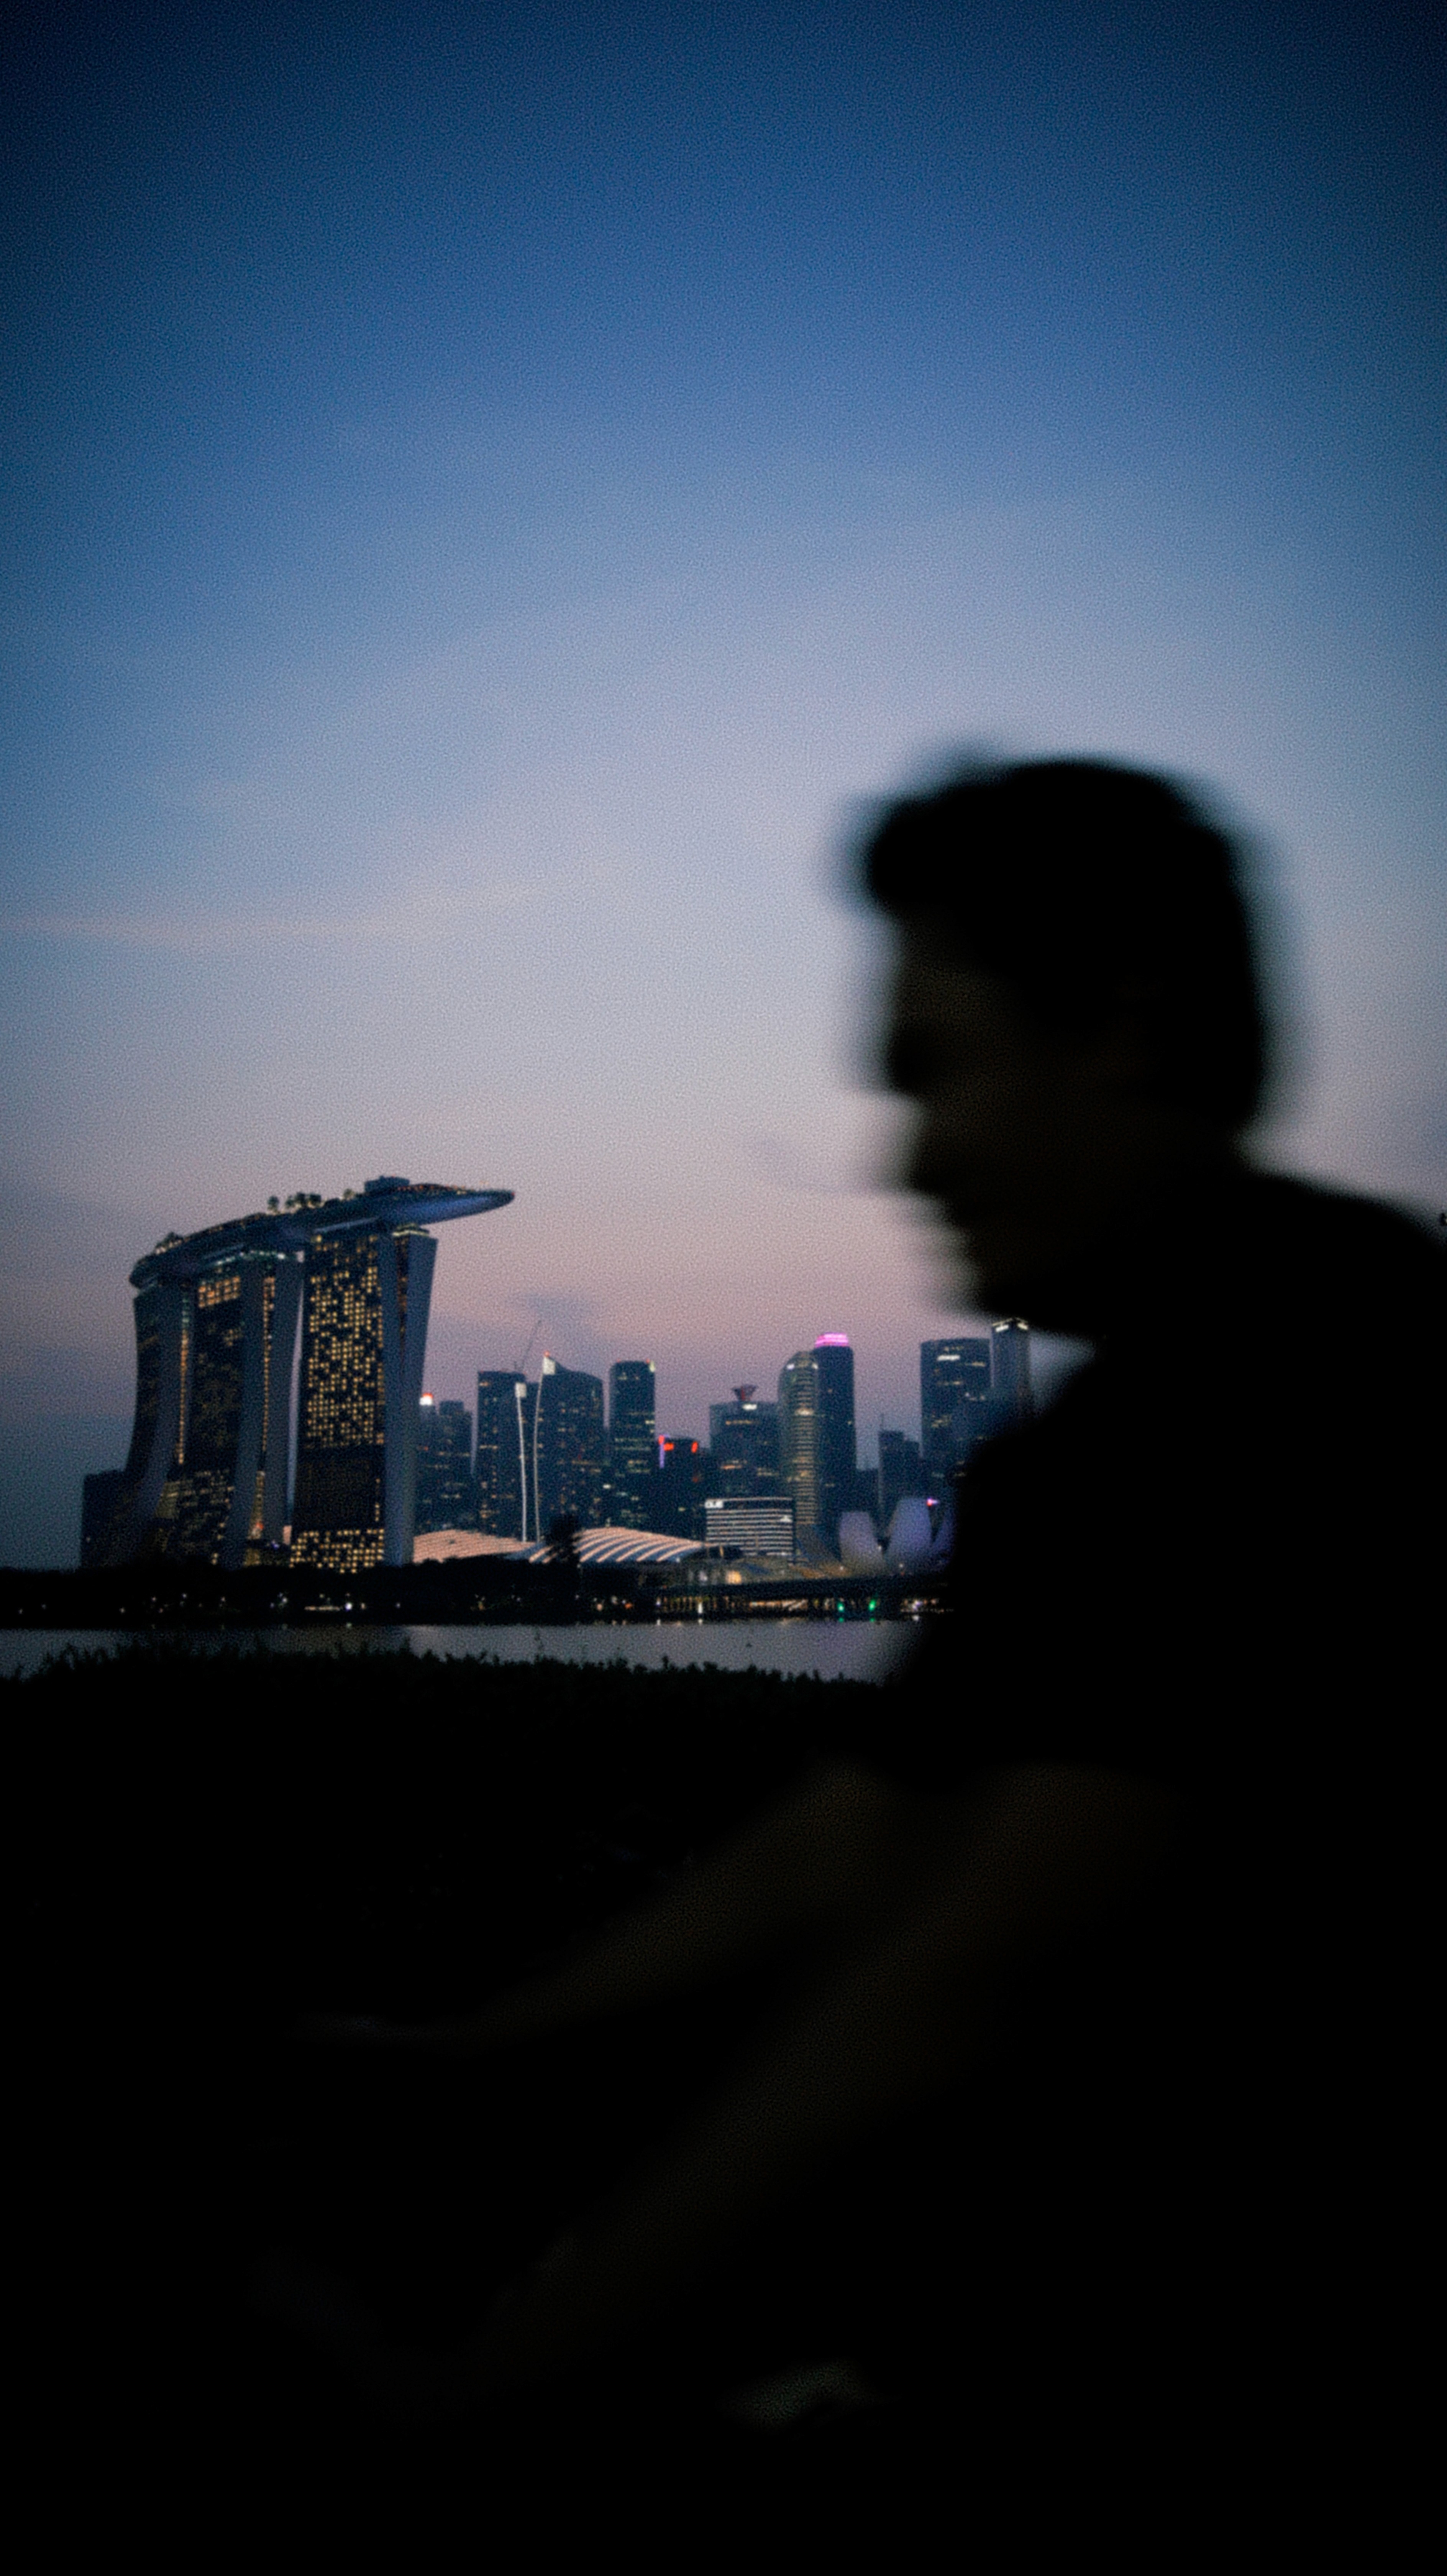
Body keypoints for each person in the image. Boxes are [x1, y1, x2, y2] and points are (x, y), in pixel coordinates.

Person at [268, 759, 1442, 2535]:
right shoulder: (1103, 1444)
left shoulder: (1308, 1371)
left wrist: (466, 2408)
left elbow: (963, 1979)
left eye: (936, 1067)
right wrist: (477, 2057)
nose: (910, 1156)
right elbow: (849, 1833)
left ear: (1118, 1031)